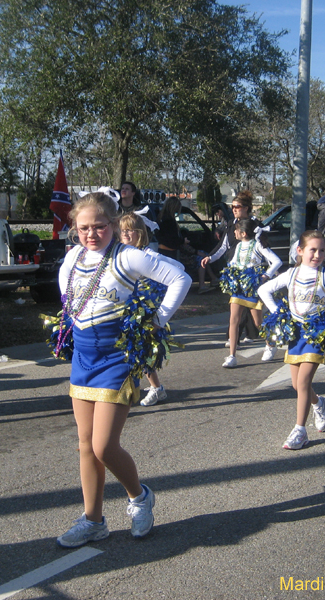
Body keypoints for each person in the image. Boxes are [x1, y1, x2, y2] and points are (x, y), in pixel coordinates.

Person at [55, 192, 190, 548]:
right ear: (74, 229)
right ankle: (93, 520)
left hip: (117, 359)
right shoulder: (73, 257)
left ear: (113, 225)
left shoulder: (128, 256)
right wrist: (71, 321)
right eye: (84, 227)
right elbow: (66, 292)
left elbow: (180, 278)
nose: (91, 234)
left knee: (103, 446)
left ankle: (140, 497)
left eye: (100, 226)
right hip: (83, 358)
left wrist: (157, 320)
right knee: (85, 445)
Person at [258, 231, 325, 449]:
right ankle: (320, 403)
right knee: (297, 385)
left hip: (316, 335)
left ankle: (300, 431)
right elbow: (264, 289)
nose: (317, 254)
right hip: (295, 334)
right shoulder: (291, 274)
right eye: (312, 250)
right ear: (300, 251)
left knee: (303, 382)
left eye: (322, 250)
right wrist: (278, 313)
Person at [119, 211, 184, 406]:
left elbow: (179, 268)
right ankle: (135, 385)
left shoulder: (148, 255)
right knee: (129, 350)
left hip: (144, 313)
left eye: (130, 230)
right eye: (122, 231)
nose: (126, 234)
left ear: (140, 233)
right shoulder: (120, 254)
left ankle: (157, 389)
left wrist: (157, 294)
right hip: (127, 311)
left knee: (143, 350)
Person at [202, 191, 271, 355]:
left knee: (254, 315)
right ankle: (234, 343)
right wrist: (209, 257)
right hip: (236, 273)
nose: (234, 209)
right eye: (232, 207)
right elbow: (223, 246)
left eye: (237, 207)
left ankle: (268, 339)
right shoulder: (231, 224)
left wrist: (267, 273)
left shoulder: (255, 225)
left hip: (252, 274)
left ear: (246, 208)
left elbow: (265, 249)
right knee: (237, 310)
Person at [214, 218, 281, 368]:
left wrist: (266, 275)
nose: (234, 233)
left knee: (258, 322)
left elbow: (277, 261)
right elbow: (234, 263)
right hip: (238, 288)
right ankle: (232, 356)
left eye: (236, 230)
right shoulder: (238, 246)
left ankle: (271, 344)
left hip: (253, 289)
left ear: (243, 233)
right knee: (233, 321)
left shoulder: (258, 245)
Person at [157, 196, 217, 292]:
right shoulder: (169, 222)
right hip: (174, 253)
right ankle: (202, 285)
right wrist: (183, 241)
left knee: (203, 255)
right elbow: (173, 240)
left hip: (166, 251)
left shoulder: (161, 219)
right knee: (201, 258)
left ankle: (213, 279)